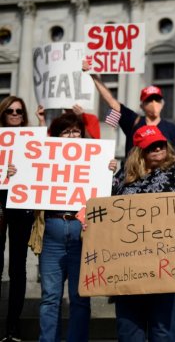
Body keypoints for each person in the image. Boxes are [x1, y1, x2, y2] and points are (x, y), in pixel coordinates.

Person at [111, 125, 175, 342]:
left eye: (160, 144)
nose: (157, 149)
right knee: (129, 332)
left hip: (169, 263)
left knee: (163, 332)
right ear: (139, 151)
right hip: (128, 264)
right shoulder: (122, 177)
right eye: (150, 147)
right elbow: (105, 207)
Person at [36, 112, 117, 342]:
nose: (72, 135)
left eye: (75, 131)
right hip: (52, 232)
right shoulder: (45, 159)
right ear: (57, 136)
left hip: (83, 232)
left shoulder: (95, 159)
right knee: (50, 297)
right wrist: (16, 173)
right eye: (66, 131)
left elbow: (109, 193)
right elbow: (30, 176)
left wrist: (109, 170)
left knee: (80, 296)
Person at [83, 60, 175, 163]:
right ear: (142, 105)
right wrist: (93, 75)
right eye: (149, 100)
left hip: (161, 177)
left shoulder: (172, 128)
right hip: (135, 176)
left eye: (157, 100)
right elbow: (111, 102)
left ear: (162, 104)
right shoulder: (133, 121)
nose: (154, 103)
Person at [0, 96, 35, 342]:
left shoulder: (33, 141)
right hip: (0, 206)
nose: (14, 114)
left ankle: (13, 327)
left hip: (21, 206)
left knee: (18, 268)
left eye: (19, 112)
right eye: (10, 111)